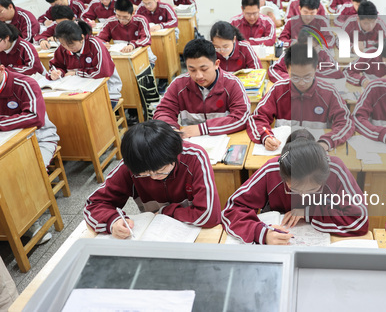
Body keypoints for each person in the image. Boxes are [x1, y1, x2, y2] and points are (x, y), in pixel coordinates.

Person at [222, 129, 368, 244]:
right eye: (295, 189)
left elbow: (359, 219)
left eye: (312, 190)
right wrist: (262, 234)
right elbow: (231, 210)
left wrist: (309, 212)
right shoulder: (272, 169)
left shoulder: (335, 169)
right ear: (283, 175)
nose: (303, 196)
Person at [84, 120, 221, 238]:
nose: (154, 177)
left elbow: (210, 216)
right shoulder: (132, 165)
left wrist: (166, 212)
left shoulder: (194, 157)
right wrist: (112, 221)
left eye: (161, 170)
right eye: (145, 174)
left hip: (195, 230)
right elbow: (93, 205)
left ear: (175, 154)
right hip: (154, 232)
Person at [247, 44, 354, 151]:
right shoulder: (278, 90)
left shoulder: (329, 93)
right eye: (295, 77)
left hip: (318, 152)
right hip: (284, 153)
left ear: (316, 68)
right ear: (287, 69)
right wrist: (265, 137)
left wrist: (327, 142)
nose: (302, 82)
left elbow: (346, 123)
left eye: (307, 77)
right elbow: (256, 118)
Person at [0, 65, 59, 244]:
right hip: (6, 142)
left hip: (40, 139)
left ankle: (32, 223)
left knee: (22, 172)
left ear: (1, 69)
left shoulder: (24, 83)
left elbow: (35, 117)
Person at [154, 39, 250, 136]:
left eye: (204, 69)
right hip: (189, 141)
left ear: (216, 64)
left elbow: (242, 118)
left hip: (224, 139)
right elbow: (162, 112)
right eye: (192, 70)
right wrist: (171, 130)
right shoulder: (179, 84)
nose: (198, 76)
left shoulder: (232, 84)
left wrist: (203, 129)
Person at [49, 20, 122, 106]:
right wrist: (57, 72)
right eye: (63, 44)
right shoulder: (62, 49)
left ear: (82, 38)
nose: (68, 48)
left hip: (107, 92)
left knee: (90, 113)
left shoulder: (95, 45)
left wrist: (77, 73)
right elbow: (55, 66)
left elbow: (103, 72)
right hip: (76, 92)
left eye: (71, 44)